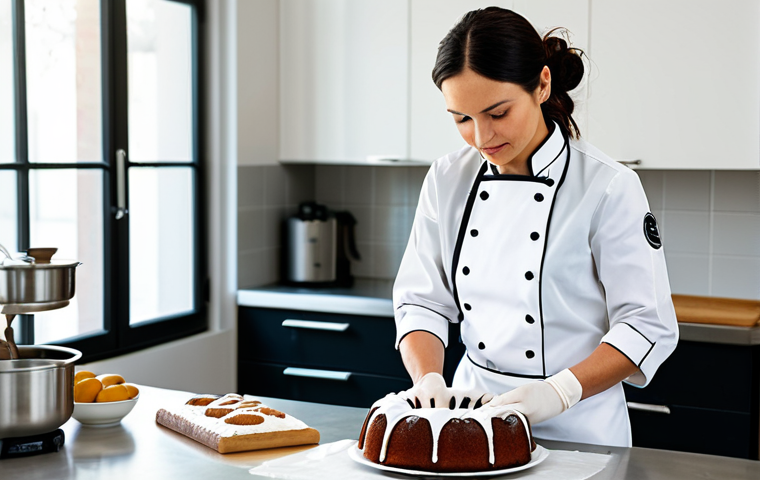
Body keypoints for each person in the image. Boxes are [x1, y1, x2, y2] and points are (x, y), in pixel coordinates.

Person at [392, 7, 678, 448]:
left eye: (497, 112)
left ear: (542, 84)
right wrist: (428, 378)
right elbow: (420, 301)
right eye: (461, 119)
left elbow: (645, 324)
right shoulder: (447, 178)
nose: (482, 137)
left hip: (580, 429)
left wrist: (558, 392)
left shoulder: (607, 186)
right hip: (473, 421)